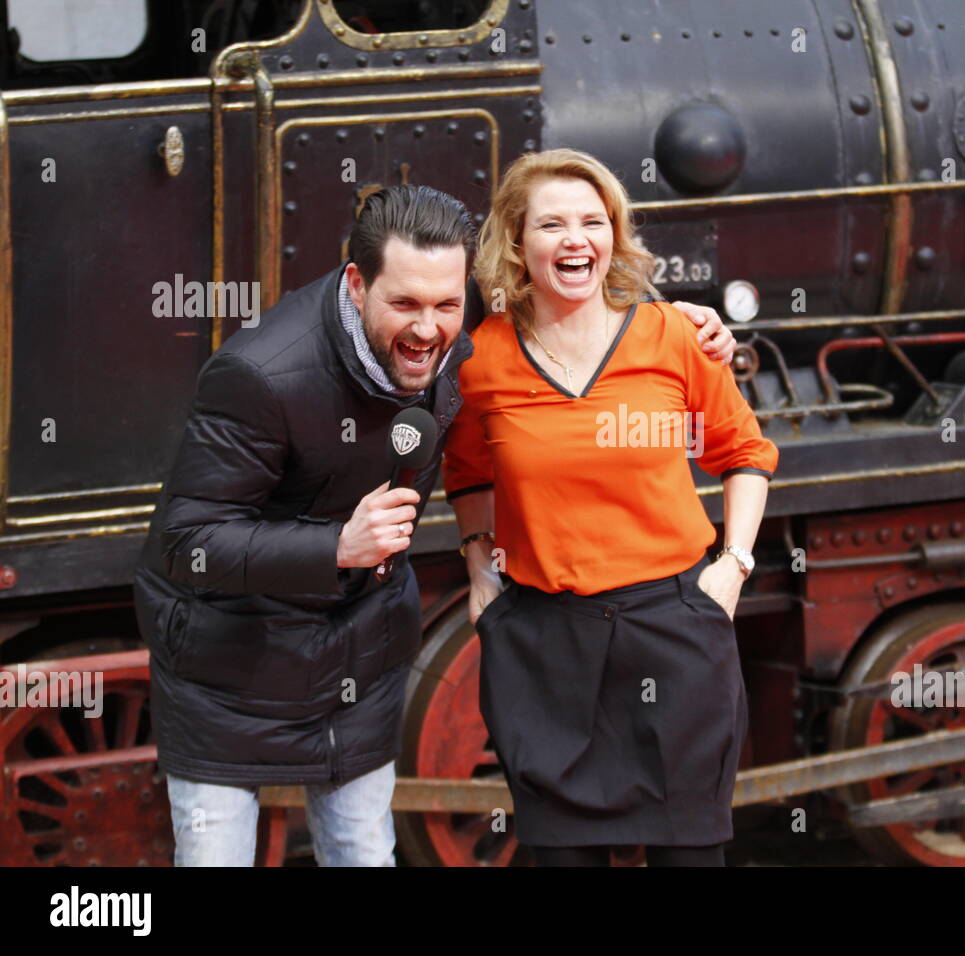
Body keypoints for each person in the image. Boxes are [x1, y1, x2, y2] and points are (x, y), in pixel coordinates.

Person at [131, 183, 737, 867]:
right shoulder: (260, 374)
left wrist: (679, 319)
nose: (428, 329)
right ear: (357, 285)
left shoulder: (466, 308)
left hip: (355, 649)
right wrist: (336, 545)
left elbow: (574, 289)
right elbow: (186, 541)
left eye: (447, 306)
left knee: (363, 852)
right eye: (406, 305)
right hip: (230, 665)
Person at [444, 148, 778, 867]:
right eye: (552, 224)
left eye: (593, 222)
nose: (576, 239)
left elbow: (745, 454)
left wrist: (733, 567)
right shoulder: (480, 360)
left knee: (690, 856)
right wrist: (479, 570)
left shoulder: (677, 337)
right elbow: (467, 471)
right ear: (516, 242)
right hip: (545, 644)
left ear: (614, 238)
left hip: (674, 630)